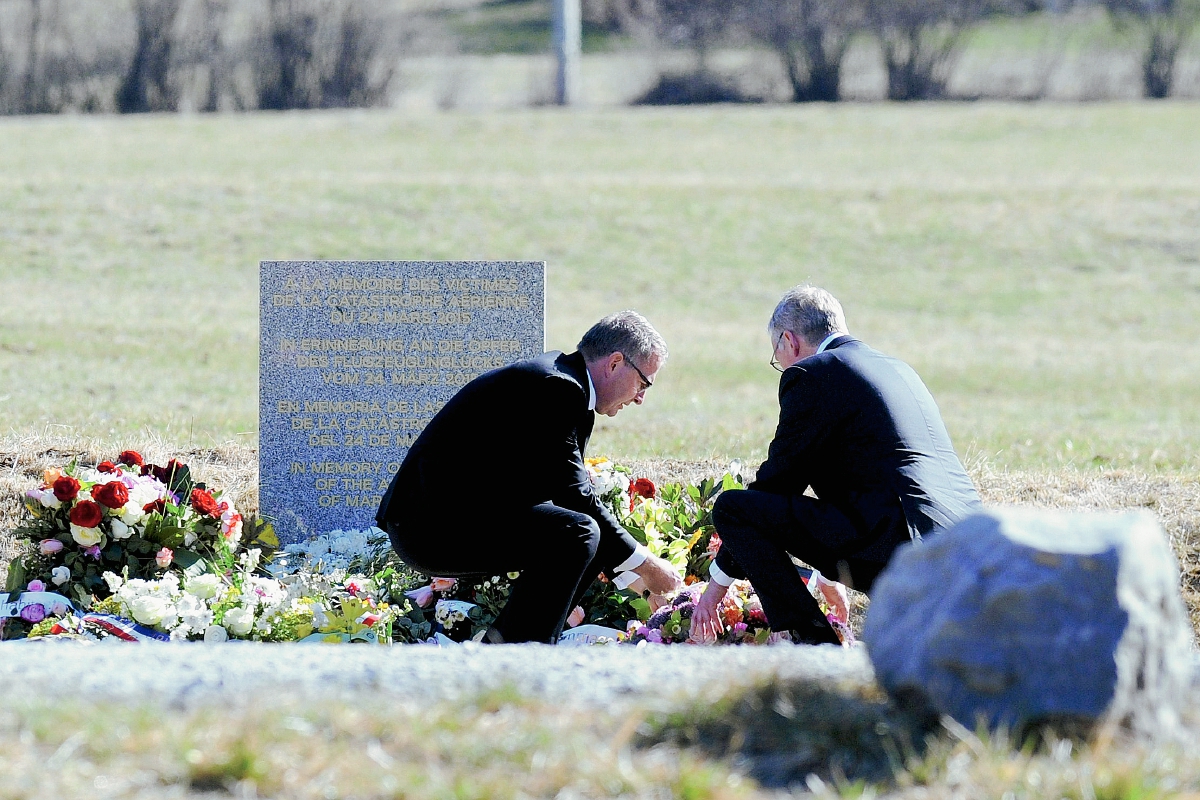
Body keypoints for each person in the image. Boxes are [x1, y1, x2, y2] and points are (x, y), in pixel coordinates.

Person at [692, 286, 982, 645]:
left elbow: (777, 487)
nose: (780, 365)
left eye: (776, 354)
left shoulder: (814, 375)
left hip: (895, 538)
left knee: (734, 508)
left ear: (789, 341)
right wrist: (829, 577)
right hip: (962, 535)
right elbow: (867, 472)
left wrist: (714, 589)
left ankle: (815, 644)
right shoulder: (898, 368)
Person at [376, 310, 683, 644]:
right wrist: (649, 567)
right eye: (643, 383)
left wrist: (635, 578)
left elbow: (560, 494)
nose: (640, 398)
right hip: (430, 525)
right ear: (614, 363)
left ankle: (510, 644)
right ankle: (519, 651)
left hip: (449, 518)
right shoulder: (558, 388)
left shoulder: (566, 384)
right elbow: (574, 497)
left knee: (578, 531)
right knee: (577, 531)